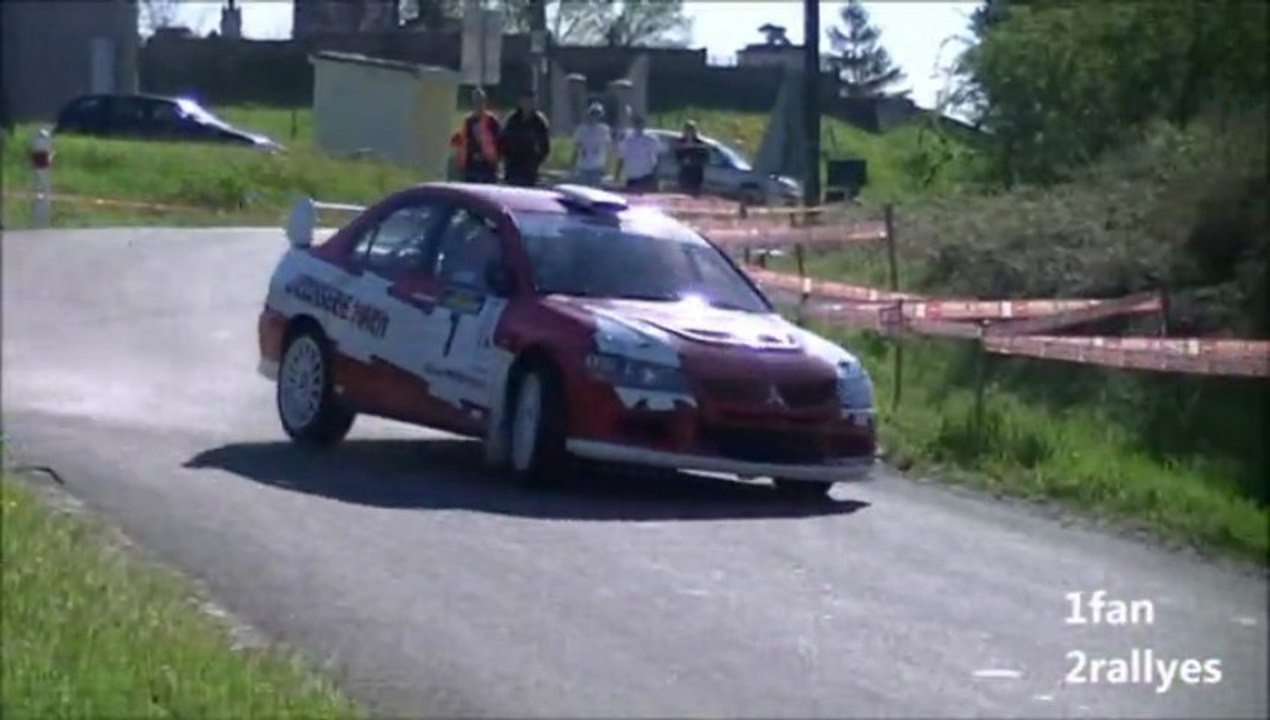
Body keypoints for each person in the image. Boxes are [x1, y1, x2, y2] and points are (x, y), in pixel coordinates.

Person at [499, 90, 551, 187]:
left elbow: (545, 146)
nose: (527, 104)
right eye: (525, 101)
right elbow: (503, 140)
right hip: (512, 166)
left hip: (529, 168)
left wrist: (537, 162)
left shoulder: (539, 122)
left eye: (530, 101)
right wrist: (505, 158)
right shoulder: (512, 119)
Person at [449, 88, 501, 183]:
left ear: (485, 102)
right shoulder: (468, 120)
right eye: (476, 101)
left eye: (481, 101)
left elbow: (499, 141)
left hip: (487, 166)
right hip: (470, 166)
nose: (478, 104)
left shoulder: (491, 120)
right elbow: (461, 140)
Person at [614, 114, 660, 193]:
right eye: (637, 123)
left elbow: (658, 157)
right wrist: (617, 175)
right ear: (634, 125)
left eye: (641, 123)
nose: (639, 126)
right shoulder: (627, 140)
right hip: (632, 177)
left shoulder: (651, 139)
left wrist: (656, 175)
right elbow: (621, 157)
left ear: (644, 125)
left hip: (646, 177)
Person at [570, 103, 612, 187]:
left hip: (597, 166)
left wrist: (607, 166)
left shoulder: (604, 129)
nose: (595, 116)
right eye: (593, 113)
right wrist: (572, 166)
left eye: (598, 113)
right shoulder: (581, 129)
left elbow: (608, 148)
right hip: (583, 166)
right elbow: (576, 148)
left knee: (596, 191)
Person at [674, 120, 709, 195]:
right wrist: (683, 160)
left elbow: (704, 158)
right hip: (684, 174)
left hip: (696, 174)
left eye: (691, 130)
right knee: (682, 194)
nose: (689, 132)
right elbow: (676, 155)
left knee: (695, 195)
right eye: (687, 130)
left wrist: (694, 160)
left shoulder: (700, 143)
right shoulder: (680, 142)